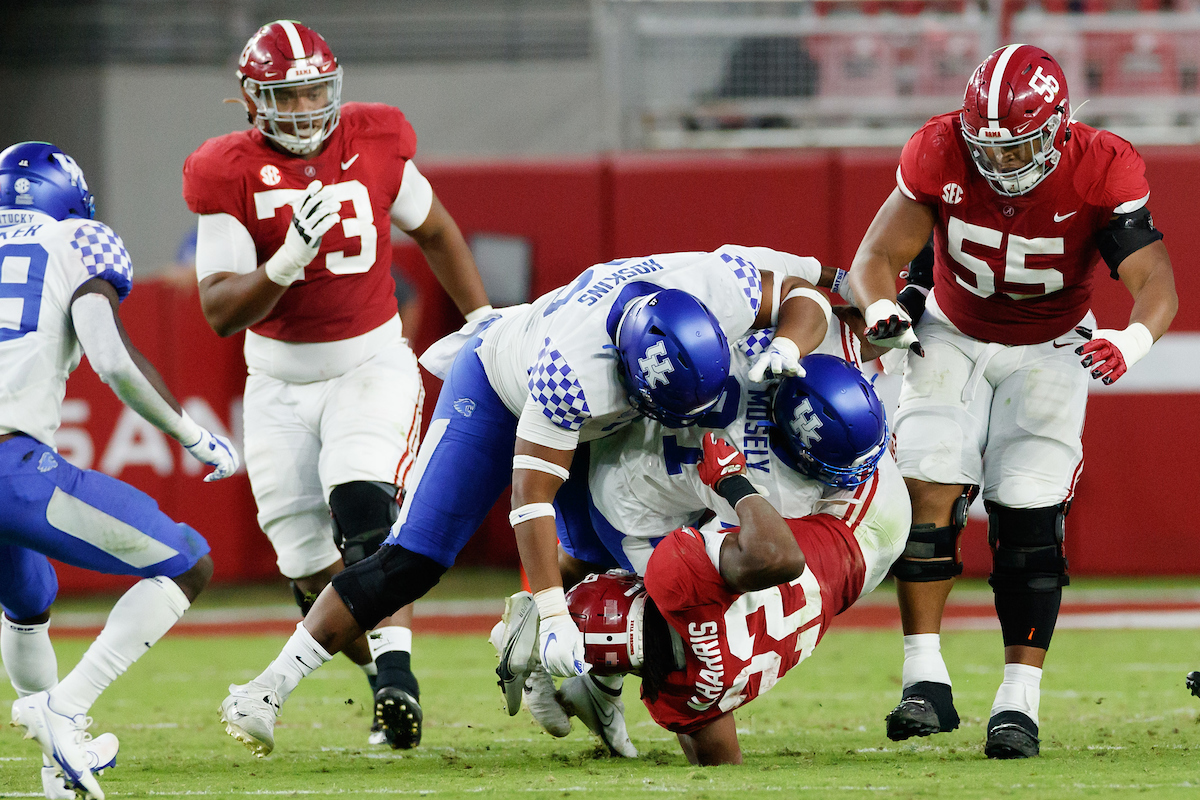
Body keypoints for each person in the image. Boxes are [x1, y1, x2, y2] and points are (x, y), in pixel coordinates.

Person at [216, 243, 835, 756]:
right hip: (499, 388)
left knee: (657, 569)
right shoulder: (573, 371)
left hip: (608, 420)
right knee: (415, 558)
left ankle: (578, 678)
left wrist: (789, 347)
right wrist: (555, 613)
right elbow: (531, 496)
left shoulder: (714, 286)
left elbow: (804, 297)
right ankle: (267, 687)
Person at [845, 43, 1178, 758]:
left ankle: (1017, 704)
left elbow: (1156, 281)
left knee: (1029, 506)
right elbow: (875, 256)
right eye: (985, 147)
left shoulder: (1103, 165)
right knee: (929, 476)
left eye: (1018, 145)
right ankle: (923, 681)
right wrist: (880, 309)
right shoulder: (938, 149)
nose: (999, 163)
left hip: (1052, 342)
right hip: (950, 329)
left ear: (1059, 126)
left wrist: (1134, 341)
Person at [181, 19, 493, 749]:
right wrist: (284, 263)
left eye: (317, 90)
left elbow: (438, 229)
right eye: (289, 96)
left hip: (369, 362)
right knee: (305, 565)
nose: (307, 108)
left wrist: (481, 315)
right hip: (279, 383)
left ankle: (397, 681)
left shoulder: (374, 140)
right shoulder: (226, 170)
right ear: (254, 100)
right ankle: (374, 673)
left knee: (363, 508)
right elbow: (220, 311)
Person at [496, 334, 910, 757]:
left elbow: (721, 764)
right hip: (856, 531)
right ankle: (595, 686)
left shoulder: (681, 696)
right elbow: (777, 556)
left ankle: (596, 686)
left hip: (826, 581)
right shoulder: (679, 572)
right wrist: (733, 481)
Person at [0, 142, 238, 800]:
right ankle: (65, 708)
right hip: (10, 469)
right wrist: (190, 433)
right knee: (187, 562)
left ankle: (56, 763)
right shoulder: (74, 239)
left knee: (26, 599)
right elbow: (112, 361)